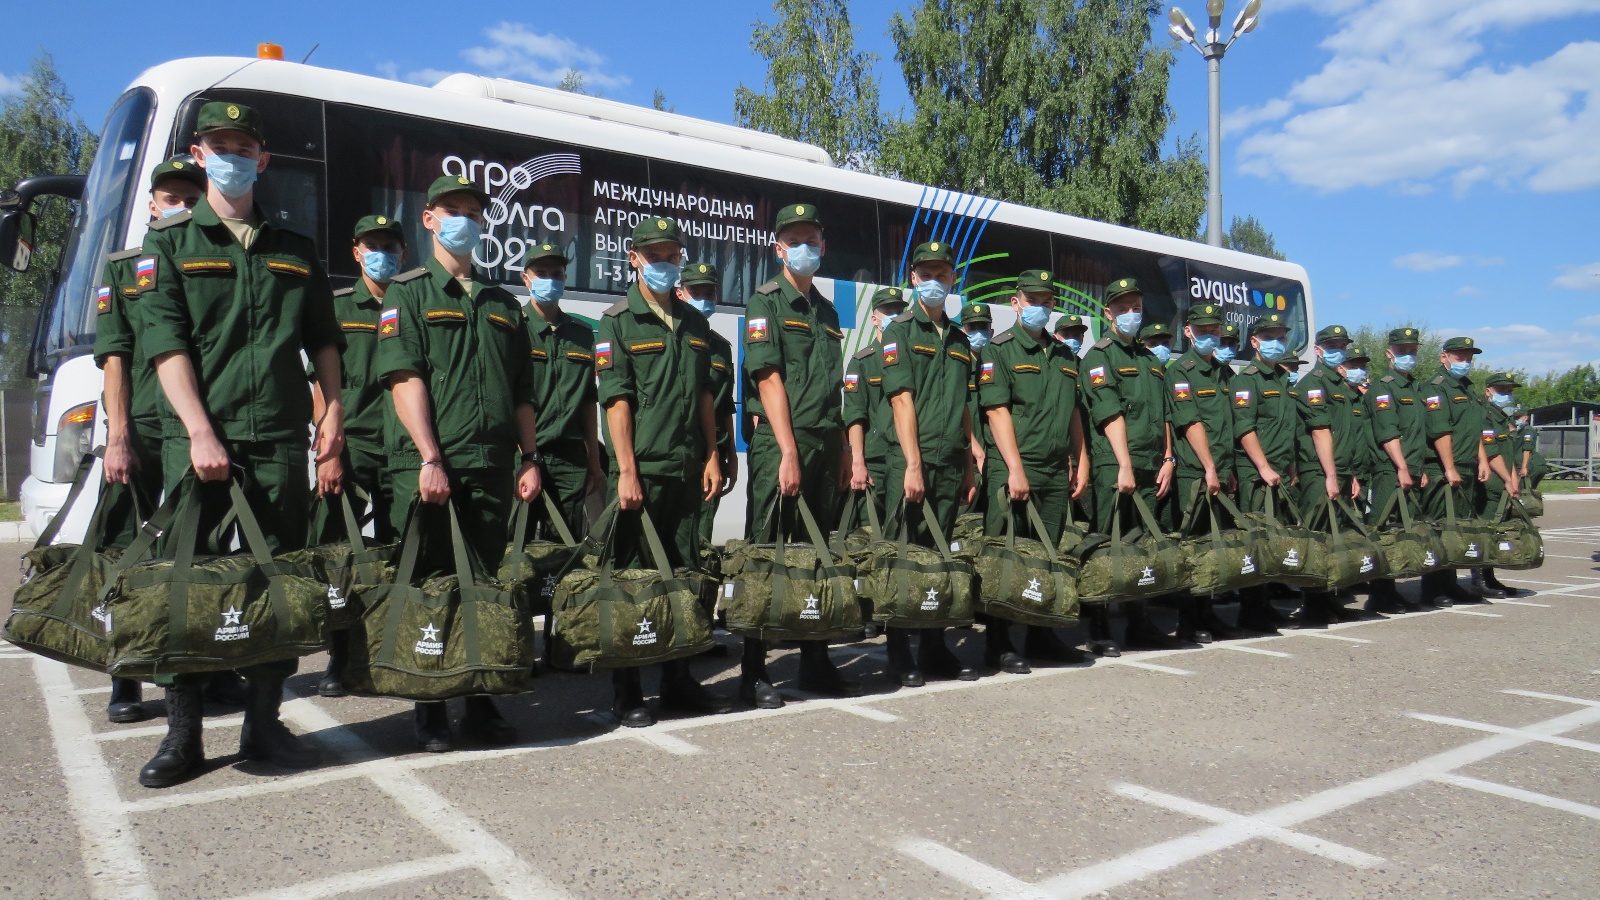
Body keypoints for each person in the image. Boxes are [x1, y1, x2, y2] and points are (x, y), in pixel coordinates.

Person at [137, 102, 346, 787]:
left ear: (262, 159)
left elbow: (324, 341)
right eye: (219, 146)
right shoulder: (169, 245)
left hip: (278, 439)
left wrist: (333, 416)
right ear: (200, 155)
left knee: (278, 580)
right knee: (186, 583)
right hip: (199, 441)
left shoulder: (294, 248)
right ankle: (183, 735)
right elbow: (165, 344)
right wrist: (199, 430)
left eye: (243, 146)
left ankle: (264, 723)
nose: (232, 156)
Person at [376, 174, 544, 752]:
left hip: (491, 465)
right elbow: (404, 378)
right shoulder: (408, 294)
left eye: (473, 212)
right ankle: (429, 702)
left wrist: (530, 457)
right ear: (429, 219)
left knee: (484, 582)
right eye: (453, 210)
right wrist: (430, 457)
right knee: (430, 583)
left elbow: (522, 391)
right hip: (430, 466)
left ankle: (479, 696)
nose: (464, 221)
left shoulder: (502, 304)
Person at [596, 216, 728, 726]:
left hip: (686, 468)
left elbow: (705, 397)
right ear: (634, 259)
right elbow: (617, 402)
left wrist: (711, 455)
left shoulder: (695, 324)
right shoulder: (617, 322)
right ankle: (627, 689)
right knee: (633, 577)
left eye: (672, 256)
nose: (665, 265)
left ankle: (678, 679)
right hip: (643, 471)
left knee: (683, 574)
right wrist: (626, 471)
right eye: (655, 257)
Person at [92, 157, 205, 725]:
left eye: (191, 198)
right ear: (152, 204)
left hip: (195, 428)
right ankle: (126, 676)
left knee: (194, 552)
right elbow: (115, 356)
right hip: (142, 428)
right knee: (127, 553)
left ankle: (201, 669)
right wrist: (117, 436)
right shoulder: (125, 268)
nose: (180, 206)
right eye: (171, 197)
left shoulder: (209, 263)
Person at [738, 204, 861, 706]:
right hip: (780, 444)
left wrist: (845, 449)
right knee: (767, 551)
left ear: (823, 246)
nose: (805, 247)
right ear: (779, 249)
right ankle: (753, 670)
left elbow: (834, 389)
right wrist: (788, 451)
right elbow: (768, 379)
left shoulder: (828, 312)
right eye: (795, 240)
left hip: (824, 443)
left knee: (816, 551)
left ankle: (815, 659)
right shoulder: (765, 302)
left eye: (812, 239)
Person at [976, 269, 1090, 672]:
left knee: (1046, 553)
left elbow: (1073, 411)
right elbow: (996, 411)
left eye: (1046, 301)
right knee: (1005, 553)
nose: (1039, 307)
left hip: (1054, 470)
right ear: (1016, 303)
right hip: (1013, 469)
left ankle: (1041, 635)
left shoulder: (1065, 356)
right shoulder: (999, 351)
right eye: (1032, 300)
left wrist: (1082, 459)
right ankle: (998, 641)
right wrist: (1015, 469)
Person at [311, 214, 406, 698]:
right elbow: (319, 386)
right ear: (356, 252)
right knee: (339, 559)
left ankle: (389, 650)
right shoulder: (338, 306)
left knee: (400, 551)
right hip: (352, 447)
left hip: (403, 451)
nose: (382, 254)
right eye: (373, 246)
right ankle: (340, 654)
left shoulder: (412, 303)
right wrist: (328, 451)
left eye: (390, 246)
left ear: (404, 254)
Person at [880, 240, 981, 685]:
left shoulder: (960, 340)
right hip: (910, 461)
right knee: (903, 552)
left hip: (950, 460)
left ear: (953, 278)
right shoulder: (899, 332)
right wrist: (912, 464)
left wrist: (970, 461)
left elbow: (964, 405)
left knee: (939, 554)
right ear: (913, 279)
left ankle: (935, 647)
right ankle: (898, 650)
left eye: (942, 274)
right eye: (926, 275)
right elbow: (901, 400)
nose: (934, 281)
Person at [1078, 278, 1182, 653]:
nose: (1131, 314)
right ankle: (1099, 625)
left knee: (1142, 545)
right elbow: (1109, 414)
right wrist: (1123, 464)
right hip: (1115, 464)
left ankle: (1139, 622)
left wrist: (1168, 457)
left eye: (1136, 308)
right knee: (1108, 542)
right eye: (1122, 309)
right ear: (1108, 314)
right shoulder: (1099, 357)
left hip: (1151, 464)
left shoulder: (1150, 360)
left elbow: (1165, 413)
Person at [1162, 303, 1245, 642]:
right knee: (1191, 545)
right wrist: (1210, 467)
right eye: (1203, 330)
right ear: (1188, 332)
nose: (1210, 335)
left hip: (1220, 471)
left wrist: (1228, 469)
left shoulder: (1225, 374)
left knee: (1213, 546)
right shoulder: (1180, 372)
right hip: (1195, 473)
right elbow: (1189, 422)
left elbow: (1230, 425)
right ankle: (1188, 620)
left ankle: (1207, 614)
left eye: (1214, 330)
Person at [1420, 337, 1517, 605]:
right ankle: (1433, 588)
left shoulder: (1467, 387)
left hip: (1467, 466)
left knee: (1458, 529)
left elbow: (1474, 429)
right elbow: (1440, 431)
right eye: (1459, 357)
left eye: (1468, 358)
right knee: (1440, 528)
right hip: (1442, 468)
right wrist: (1449, 467)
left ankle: (1450, 584)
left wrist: (1482, 460)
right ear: (1444, 357)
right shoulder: (1435, 387)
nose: (1465, 362)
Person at [523, 241, 606, 538]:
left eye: (556, 274)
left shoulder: (581, 334)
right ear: (526, 279)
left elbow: (588, 400)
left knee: (564, 546)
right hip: (522, 454)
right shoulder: (513, 328)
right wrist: (523, 455)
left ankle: (553, 577)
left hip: (569, 458)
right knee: (512, 544)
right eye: (541, 273)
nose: (549, 280)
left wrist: (594, 460)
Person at [678, 261, 739, 642]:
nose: (703, 299)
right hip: (678, 454)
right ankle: (674, 623)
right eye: (695, 292)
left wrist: (729, 453)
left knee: (702, 542)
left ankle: (700, 625)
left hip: (711, 458)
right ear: (681, 293)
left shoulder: (720, 346)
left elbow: (725, 405)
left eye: (709, 293)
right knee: (675, 543)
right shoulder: (677, 336)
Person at [1289, 324, 1364, 626]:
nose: (1339, 351)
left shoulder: (1340, 385)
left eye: (1342, 346)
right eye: (1332, 347)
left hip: (1340, 471)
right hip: (1319, 472)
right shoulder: (1314, 384)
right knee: (1316, 538)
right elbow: (1320, 432)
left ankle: (1330, 597)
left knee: (1334, 538)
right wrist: (1331, 475)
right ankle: (1313, 604)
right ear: (1318, 351)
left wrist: (1350, 474)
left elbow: (1345, 435)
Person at [1231, 312, 1301, 632]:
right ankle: (1250, 611)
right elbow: (1245, 428)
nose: (1277, 343)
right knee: (1255, 540)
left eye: (1281, 337)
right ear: (1255, 342)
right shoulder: (1246, 380)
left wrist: (1290, 468)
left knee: (1272, 540)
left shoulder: (1281, 379)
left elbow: (1287, 428)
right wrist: (1262, 466)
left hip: (1279, 472)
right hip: (1257, 474)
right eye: (1269, 337)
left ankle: (1265, 603)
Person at [1365, 328, 1429, 613]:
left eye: (1412, 351)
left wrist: (1419, 468)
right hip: (1390, 470)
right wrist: (1402, 467)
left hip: (1411, 469)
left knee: (1402, 531)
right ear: (1389, 353)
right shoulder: (1383, 388)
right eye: (1403, 351)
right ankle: (1379, 594)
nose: (1408, 355)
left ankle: (1392, 590)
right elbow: (1387, 433)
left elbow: (1418, 433)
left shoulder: (1415, 388)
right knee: (1383, 530)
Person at [843, 288, 909, 530]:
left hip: (904, 460)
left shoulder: (910, 358)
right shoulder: (862, 361)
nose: (895, 316)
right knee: (867, 533)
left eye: (899, 311)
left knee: (901, 531)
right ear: (874, 319)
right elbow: (854, 415)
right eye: (888, 312)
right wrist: (857, 462)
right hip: (874, 464)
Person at [1475, 371, 1523, 597]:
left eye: (1509, 391)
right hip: (1490, 483)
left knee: (1495, 532)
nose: (1506, 394)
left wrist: (1513, 479)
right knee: (1485, 530)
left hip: (1502, 483)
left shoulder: (1503, 418)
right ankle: (1479, 579)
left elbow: (1508, 453)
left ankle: (1490, 577)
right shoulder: (1485, 416)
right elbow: (1492, 452)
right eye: (1501, 390)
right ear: (1488, 392)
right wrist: (1507, 479)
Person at [959, 301, 994, 522]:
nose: (979, 333)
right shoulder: (958, 365)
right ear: (963, 331)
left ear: (992, 331)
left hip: (995, 462)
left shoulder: (998, 363)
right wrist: (977, 451)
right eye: (972, 328)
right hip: (968, 462)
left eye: (983, 327)